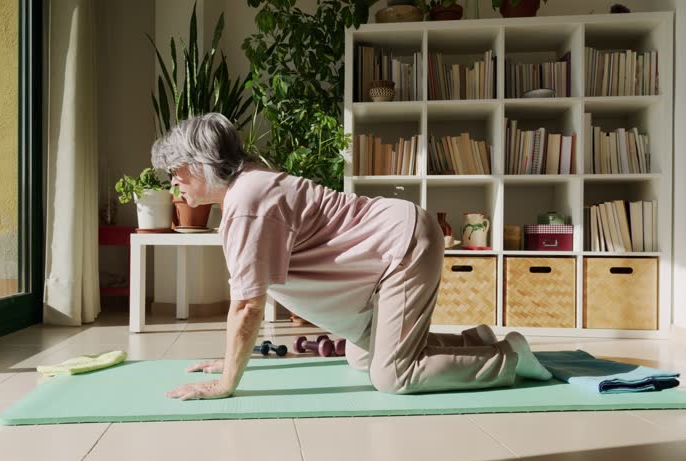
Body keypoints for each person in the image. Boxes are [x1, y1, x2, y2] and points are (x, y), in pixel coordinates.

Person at [154, 113, 552, 401]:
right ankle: (476, 342)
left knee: (394, 375)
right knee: (363, 359)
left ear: (201, 162)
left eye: (176, 169)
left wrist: (227, 381)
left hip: (402, 246)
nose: (173, 181)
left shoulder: (246, 201)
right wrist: (227, 361)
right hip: (389, 252)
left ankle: (510, 357)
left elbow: (246, 306)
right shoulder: (248, 189)